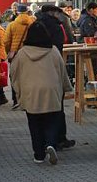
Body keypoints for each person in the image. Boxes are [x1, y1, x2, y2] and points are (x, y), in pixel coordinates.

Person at [10, 21, 73, 165]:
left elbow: (14, 73)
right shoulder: (53, 51)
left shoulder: (22, 53)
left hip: (31, 93)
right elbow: (62, 70)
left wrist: (18, 91)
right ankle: (50, 143)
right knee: (52, 121)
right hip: (51, 91)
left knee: (35, 124)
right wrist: (66, 87)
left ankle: (38, 154)